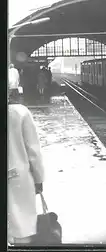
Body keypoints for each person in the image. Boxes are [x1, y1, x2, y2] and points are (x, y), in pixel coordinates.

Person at [8, 83, 45, 245]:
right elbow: (33, 151)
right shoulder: (19, 112)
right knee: (22, 229)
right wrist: (38, 179)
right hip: (16, 178)